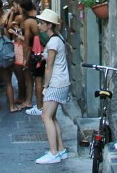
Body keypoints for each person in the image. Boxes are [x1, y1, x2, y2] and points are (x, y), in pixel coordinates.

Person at [34, 9, 70, 165]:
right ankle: (60, 149)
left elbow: (49, 66)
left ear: (49, 25)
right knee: (52, 116)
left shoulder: (53, 42)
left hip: (56, 82)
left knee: (45, 116)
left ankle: (53, 152)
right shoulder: (57, 38)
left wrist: (46, 86)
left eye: (42, 23)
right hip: (62, 81)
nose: (39, 25)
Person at [19, 0, 45, 115]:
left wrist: (25, 58)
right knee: (42, 79)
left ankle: (39, 106)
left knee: (36, 79)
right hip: (44, 50)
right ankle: (41, 104)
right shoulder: (39, 16)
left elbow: (26, 42)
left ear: (23, 8)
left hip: (35, 52)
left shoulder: (28, 21)